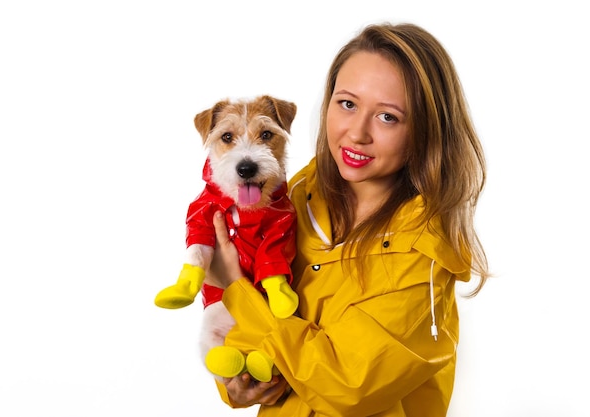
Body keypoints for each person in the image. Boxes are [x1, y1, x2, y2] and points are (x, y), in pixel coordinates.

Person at [203, 22, 489, 416]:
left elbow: (347, 385)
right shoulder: (300, 194)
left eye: (388, 117)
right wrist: (243, 382)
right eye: (348, 104)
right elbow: (258, 349)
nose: (357, 134)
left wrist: (235, 287)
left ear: (425, 131)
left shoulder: (423, 248)